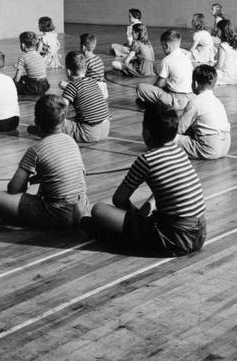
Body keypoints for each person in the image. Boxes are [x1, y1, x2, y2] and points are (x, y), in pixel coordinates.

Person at [82, 105, 207, 257]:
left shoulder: (146, 160)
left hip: (174, 238)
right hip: (199, 235)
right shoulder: (179, 151)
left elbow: (119, 199)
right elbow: (170, 192)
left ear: (146, 133)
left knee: (98, 211)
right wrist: (148, 207)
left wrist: (136, 215)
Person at [0, 94, 88, 229]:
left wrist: (27, 183)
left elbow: (13, 188)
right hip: (81, 208)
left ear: (36, 121)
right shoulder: (71, 141)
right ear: (64, 121)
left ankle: (30, 220)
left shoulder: (36, 149)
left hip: (57, 213)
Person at [175, 65, 231, 160]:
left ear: (195, 83)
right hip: (225, 146)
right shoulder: (218, 102)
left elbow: (179, 129)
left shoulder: (195, 102)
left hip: (209, 148)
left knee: (166, 138)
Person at [58, 51, 111, 143]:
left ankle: (42, 132)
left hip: (89, 133)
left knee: (57, 123)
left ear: (68, 71)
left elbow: (59, 109)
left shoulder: (72, 86)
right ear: (86, 69)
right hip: (105, 129)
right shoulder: (93, 82)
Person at [136, 28, 193, 111]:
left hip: (176, 101)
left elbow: (159, 83)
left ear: (166, 45)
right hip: (191, 99)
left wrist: (152, 90)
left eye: (162, 45)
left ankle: (152, 103)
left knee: (140, 87)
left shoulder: (167, 60)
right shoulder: (186, 57)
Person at [12, 30, 51, 96]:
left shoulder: (23, 57)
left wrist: (12, 83)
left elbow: (17, 79)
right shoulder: (38, 54)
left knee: (18, 83)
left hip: (34, 87)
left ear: (23, 45)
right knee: (24, 77)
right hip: (45, 85)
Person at [213, 19, 237, 86]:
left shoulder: (223, 46)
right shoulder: (234, 45)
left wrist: (210, 70)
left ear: (223, 31)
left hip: (228, 77)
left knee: (204, 75)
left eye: (218, 29)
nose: (216, 31)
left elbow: (219, 65)